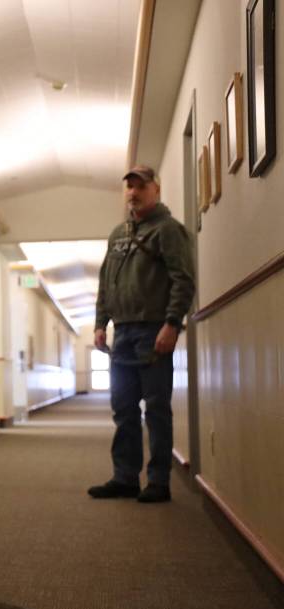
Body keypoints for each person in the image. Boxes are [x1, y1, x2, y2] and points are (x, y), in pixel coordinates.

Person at [89, 165, 195, 503]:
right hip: (122, 333)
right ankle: (125, 477)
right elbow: (107, 281)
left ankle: (159, 481)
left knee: (156, 408)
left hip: (153, 330)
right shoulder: (118, 234)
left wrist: (172, 323)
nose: (133, 193)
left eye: (141, 187)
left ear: (156, 190)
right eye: (129, 188)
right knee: (123, 408)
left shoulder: (168, 230)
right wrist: (100, 322)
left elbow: (183, 280)